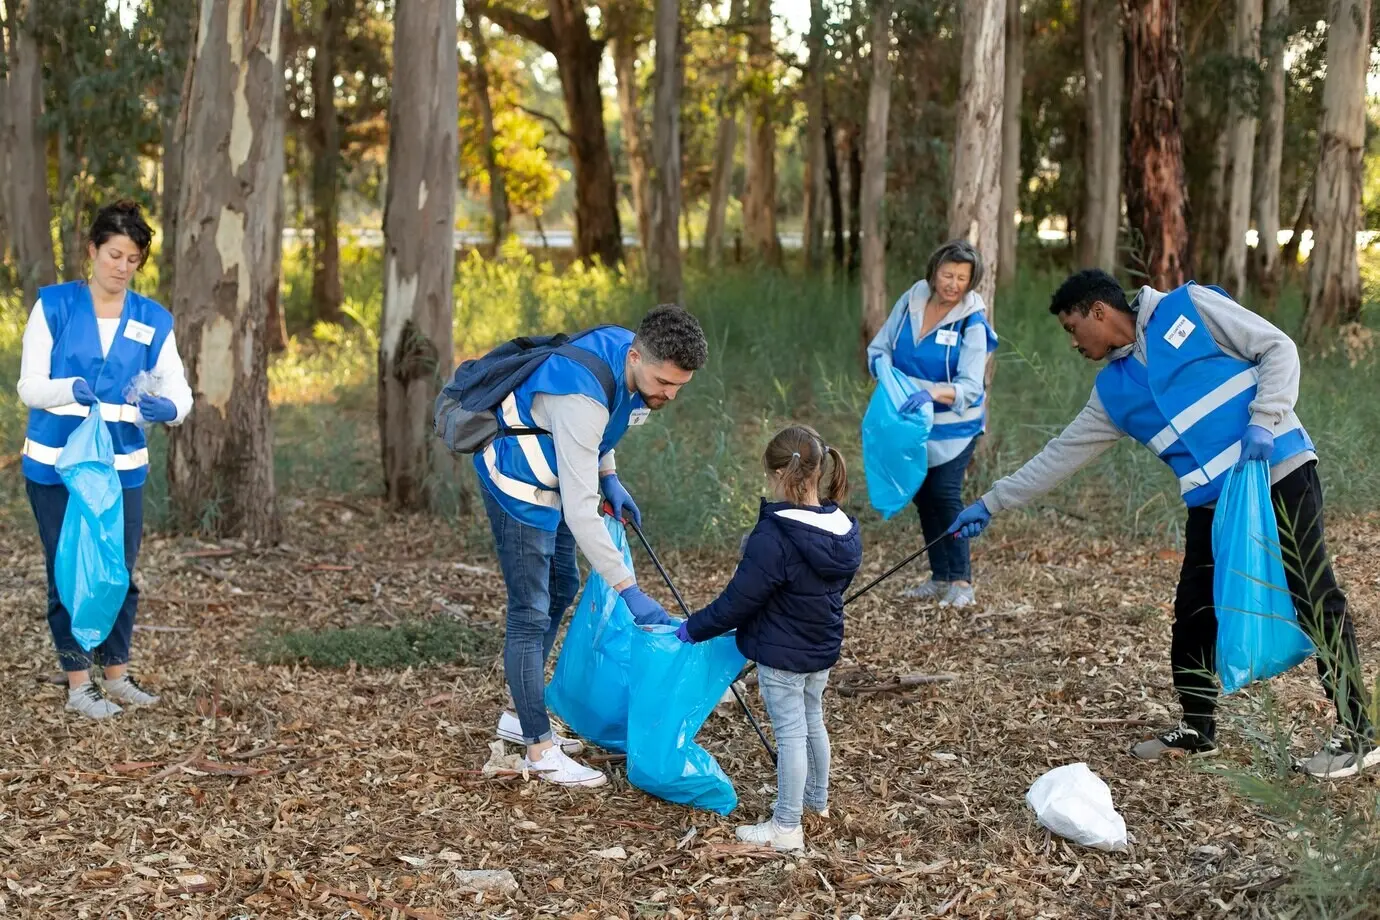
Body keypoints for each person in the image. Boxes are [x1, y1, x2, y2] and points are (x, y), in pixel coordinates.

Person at [948, 269, 1376, 779]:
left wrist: (1266, 419)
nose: (1072, 342)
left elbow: (1278, 348)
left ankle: (1359, 734)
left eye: (1071, 328)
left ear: (1098, 312)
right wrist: (991, 503)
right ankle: (1198, 729)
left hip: (1277, 470)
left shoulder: (1190, 306)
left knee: (1314, 593)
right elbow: (1058, 455)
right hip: (1212, 505)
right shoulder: (1112, 391)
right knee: (1194, 610)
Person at [476, 305, 708, 788]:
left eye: (679, 386)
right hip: (519, 482)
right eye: (664, 382)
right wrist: (629, 591)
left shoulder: (626, 357)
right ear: (636, 355)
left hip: (559, 471)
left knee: (562, 587)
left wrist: (610, 476)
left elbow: (608, 422)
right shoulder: (581, 398)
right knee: (530, 610)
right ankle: (539, 749)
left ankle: (524, 715)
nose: (669, 394)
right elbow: (583, 513)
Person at [16, 200, 193, 720]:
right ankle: (78, 684)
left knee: (118, 571)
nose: (121, 266)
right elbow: (28, 387)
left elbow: (181, 393)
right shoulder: (53, 307)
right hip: (56, 465)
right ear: (92, 251)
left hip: (121, 467)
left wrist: (171, 409)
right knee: (66, 570)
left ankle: (115, 674)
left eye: (132, 258)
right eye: (113, 253)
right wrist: (66, 389)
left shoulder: (152, 320)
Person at [676, 426, 862, 851]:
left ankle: (786, 826)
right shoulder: (843, 528)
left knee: (792, 733)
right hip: (821, 645)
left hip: (782, 652)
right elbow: (835, 584)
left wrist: (693, 628)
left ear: (780, 474)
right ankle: (817, 803)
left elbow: (739, 601)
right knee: (812, 719)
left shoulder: (775, 535)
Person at [866, 240, 998, 608]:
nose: (953, 284)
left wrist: (932, 393)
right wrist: (882, 369)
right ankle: (939, 578)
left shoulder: (973, 322)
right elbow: (881, 347)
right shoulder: (912, 300)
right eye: (947, 274)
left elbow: (971, 388)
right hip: (910, 423)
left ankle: (961, 581)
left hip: (955, 427)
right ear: (933, 272)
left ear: (971, 282)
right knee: (924, 498)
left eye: (961, 278)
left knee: (944, 494)